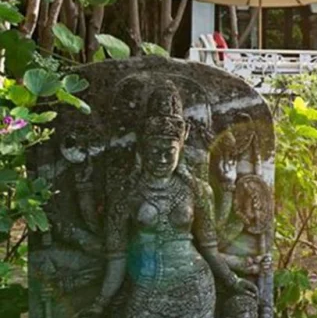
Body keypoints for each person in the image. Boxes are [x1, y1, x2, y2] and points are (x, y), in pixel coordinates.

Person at [77, 82, 256, 318]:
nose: (162, 159)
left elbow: (211, 250)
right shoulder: (125, 194)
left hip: (195, 286)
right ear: (142, 146)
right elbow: (117, 259)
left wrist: (232, 281)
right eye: (154, 151)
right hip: (145, 289)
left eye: (169, 151)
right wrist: (99, 303)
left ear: (180, 148)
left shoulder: (198, 190)